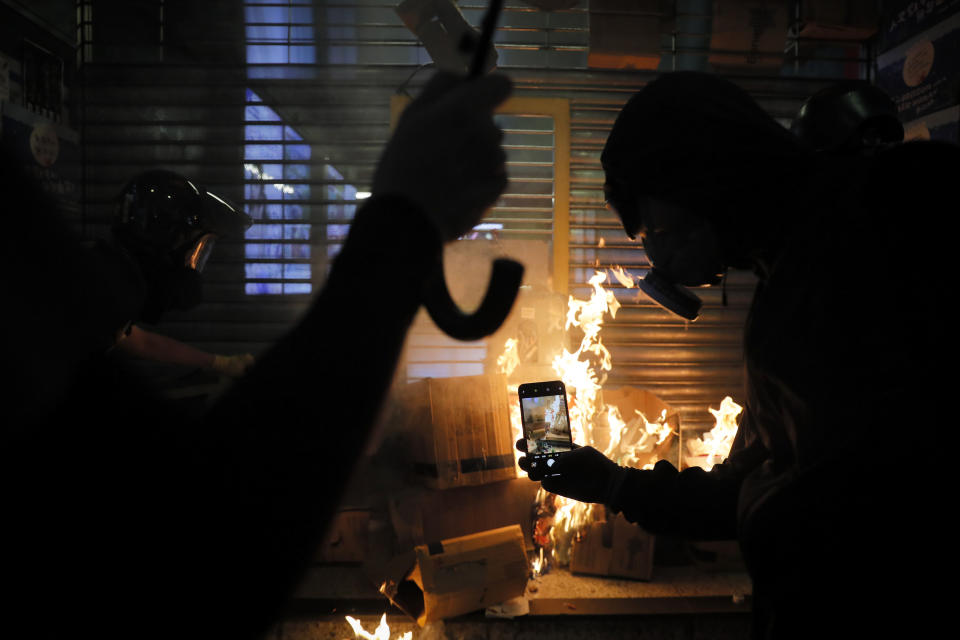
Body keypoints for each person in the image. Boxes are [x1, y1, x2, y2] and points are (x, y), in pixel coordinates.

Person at [3, 70, 512, 639]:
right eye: (197, 248)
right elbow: (212, 539)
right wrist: (403, 225)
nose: (199, 264)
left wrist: (215, 365)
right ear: (166, 240)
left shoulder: (96, 287)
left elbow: (129, 339)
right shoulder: (79, 290)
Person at [517, 71, 958, 639]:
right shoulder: (780, 286)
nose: (654, 250)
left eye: (652, 225)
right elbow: (743, 486)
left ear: (699, 183)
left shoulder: (907, 203)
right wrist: (613, 485)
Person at [104, 169, 256, 378]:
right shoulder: (98, 292)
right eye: (193, 250)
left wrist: (220, 363)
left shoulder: (114, 289)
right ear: (162, 242)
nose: (190, 265)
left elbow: (138, 341)